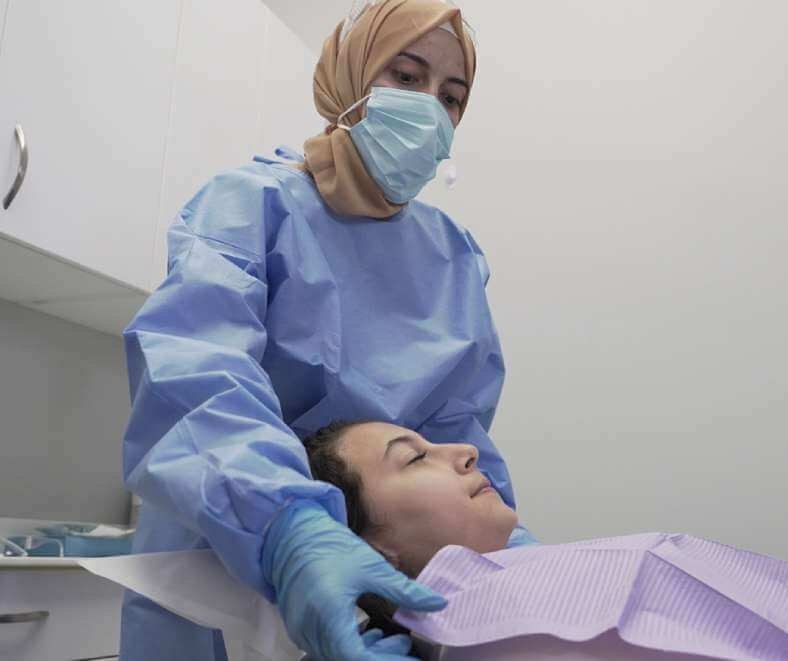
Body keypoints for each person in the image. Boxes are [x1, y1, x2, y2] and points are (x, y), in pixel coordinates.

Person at [119, 2, 534, 660]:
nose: (429, 109)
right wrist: (290, 530)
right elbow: (193, 374)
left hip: (389, 597)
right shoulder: (251, 205)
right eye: (405, 74)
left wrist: (504, 549)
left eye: (451, 98)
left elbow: (458, 435)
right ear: (348, 76)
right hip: (219, 574)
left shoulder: (451, 259)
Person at [301, 420, 788, 661]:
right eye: (413, 459)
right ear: (366, 551)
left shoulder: (552, 586)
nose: (465, 451)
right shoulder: (484, 641)